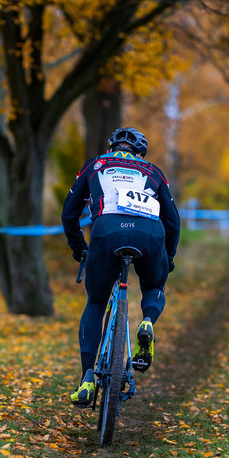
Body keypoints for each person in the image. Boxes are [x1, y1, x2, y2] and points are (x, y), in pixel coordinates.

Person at [62, 126, 181, 406]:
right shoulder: (153, 171)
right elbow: (173, 221)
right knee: (153, 285)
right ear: (140, 153)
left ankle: (87, 378)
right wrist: (169, 257)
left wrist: (80, 250)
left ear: (110, 148)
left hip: (106, 231)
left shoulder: (96, 164)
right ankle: (148, 322)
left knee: (95, 303)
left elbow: (69, 214)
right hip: (150, 234)